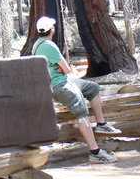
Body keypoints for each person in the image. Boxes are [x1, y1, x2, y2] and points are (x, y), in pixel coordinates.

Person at [32, 16, 120, 164]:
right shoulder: (49, 46)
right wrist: (62, 67)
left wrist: (60, 67)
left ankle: (101, 124)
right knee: (82, 112)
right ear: (51, 30)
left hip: (63, 82)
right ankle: (95, 152)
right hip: (61, 85)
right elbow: (67, 69)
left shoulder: (37, 45)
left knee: (93, 88)